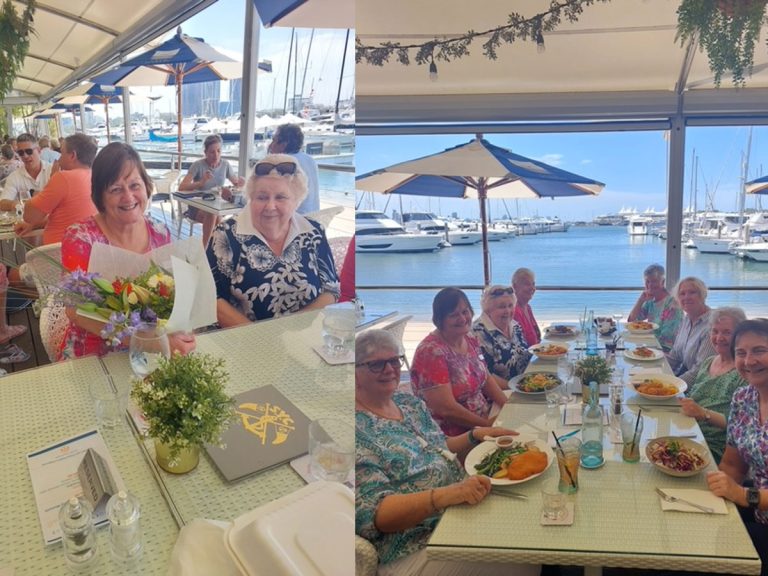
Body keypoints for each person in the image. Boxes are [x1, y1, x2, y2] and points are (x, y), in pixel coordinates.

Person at [356, 329, 537, 576]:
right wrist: (446, 495)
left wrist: (476, 434)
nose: (389, 369)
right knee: (523, 547)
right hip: (417, 544)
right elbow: (378, 514)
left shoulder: (407, 403)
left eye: (394, 360)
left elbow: (440, 446)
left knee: (533, 510)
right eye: (376, 364)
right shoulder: (357, 430)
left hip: (458, 507)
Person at [58, 142, 195, 360]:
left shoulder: (160, 232)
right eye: (115, 189)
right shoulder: (81, 238)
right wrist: (150, 342)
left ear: (146, 186)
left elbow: (168, 295)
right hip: (94, 352)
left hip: (153, 348)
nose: (128, 197)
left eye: (134, 185)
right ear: (99, 196)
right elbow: (75, 311)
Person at [206, 154, 339, 326]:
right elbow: (212, 298)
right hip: (242, 340)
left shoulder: (314, 232)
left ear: (296, 201)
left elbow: (331, 288)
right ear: (251, 199)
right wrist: (265, 339)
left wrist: (297, 330)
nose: (270, 206)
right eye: (261, 197)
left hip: (304, 338)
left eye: (280, 197)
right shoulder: (226, 235)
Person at [707, 319, 768, 575]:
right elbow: (732, 464)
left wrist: (743, 496)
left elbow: (742, 492)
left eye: (759, 351)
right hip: (751, 512)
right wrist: (715, 501)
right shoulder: (743, 398)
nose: (748, 361)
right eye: (741, 353)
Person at [410, 287, 507, 436]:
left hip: (485, 417)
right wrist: (487, 426)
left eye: (465, 311)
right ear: (440, 319)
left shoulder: (469, 338)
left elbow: (486, 378)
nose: (462, 319)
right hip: (456, 434)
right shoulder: (431, 352)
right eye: (453, 315)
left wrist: (508, 405)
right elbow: (446, 409)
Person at [679, 307, 747, 463]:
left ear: (740, 335)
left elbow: (740, 425)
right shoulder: (709, 361)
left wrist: (704, 414)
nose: (719, 337)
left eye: (727, 332)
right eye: (715, 331)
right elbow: (692, 397)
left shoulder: (743, 373)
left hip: (711, 447)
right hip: (687, 429)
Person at [16, 133, 98, 244]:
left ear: (72, 155)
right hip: (87, 248)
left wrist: (52, 179)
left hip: (58, 254)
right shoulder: (96, 177)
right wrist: (33, 225)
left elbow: (29, 216)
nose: (59, 157)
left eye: (62, 152)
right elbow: (67, 218)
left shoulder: (64, 178)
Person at [177, 134, 245, 245]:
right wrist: (201, 182)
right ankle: (207, 248)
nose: (216, 155)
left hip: (217, 206)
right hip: (197, 207)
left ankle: (210, 249)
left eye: (218, 151)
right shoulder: (198, 165)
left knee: (216, 217)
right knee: (214, 217)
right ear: (205, 153)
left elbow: (235, 184)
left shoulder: (225, 165)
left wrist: (240, 183)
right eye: (212, 152)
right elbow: (182, 187)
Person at [472, 284, 531, 389]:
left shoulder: (515, 325)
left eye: (510, 305)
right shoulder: (478, 333)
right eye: (502, 307)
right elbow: (486, 376)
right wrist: (518, 389)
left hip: (526, 384)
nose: (508, 311)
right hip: (503, 393)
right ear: (488, 309)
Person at [666, 276, 716, 385]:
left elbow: (701, 371)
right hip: (683, 376)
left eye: (692, 292)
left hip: (699, 385)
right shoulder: (686, 319)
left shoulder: (712, 325)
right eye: (682, 294)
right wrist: (657, 371)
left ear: (703, 295)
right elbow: (675, 355)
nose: (686, 297)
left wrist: (671, 385)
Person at [627, 263, 683, 351]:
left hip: (664, 352)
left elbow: (667, 340)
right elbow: (632, 321)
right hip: (651, 346)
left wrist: (644, 348)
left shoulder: (672, 304)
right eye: (647, 281)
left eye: (654, 281)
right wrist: (640, 300)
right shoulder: (650, 301)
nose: (650, 285)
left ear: (663, 282)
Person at [268, 123, 319, 214]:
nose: (270, 145)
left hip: (295, 219)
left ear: (284, 144)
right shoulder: (309, 159)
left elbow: (268, 194)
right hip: (314, 218)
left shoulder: (283, 163)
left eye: (274, 141)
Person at [0, 133, 53, 212]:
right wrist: (16, 205)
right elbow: (2, 203)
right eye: (21, 153)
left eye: (29, 151)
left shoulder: (52, 170)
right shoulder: (15, 176)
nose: (25, 156)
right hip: (26, 222)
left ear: (38, 150)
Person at [512, 267, 541, 346]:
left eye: (533, 284)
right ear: (515, 286)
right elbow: (521, 345)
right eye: (527, 284)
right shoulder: (514, 311)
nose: (532, 288)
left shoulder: (527, 307)